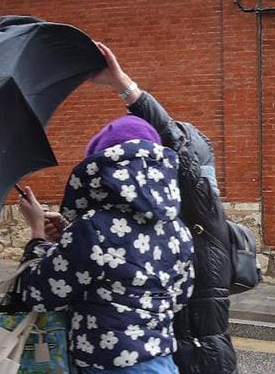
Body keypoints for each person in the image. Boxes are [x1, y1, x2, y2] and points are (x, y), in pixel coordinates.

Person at [85, 42, 238, 374]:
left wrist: (125, 87)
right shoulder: (158, 222)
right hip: (173, 355)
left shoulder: (203, 217)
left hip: (199, 358)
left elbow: (177, 147)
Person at [17, 115, 194, 373]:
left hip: (106, 365)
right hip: (161, 363)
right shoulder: (177, 229)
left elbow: (38, 294)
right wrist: (68, 234)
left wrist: (36, 232)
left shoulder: (93, 227)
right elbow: (179, 298)